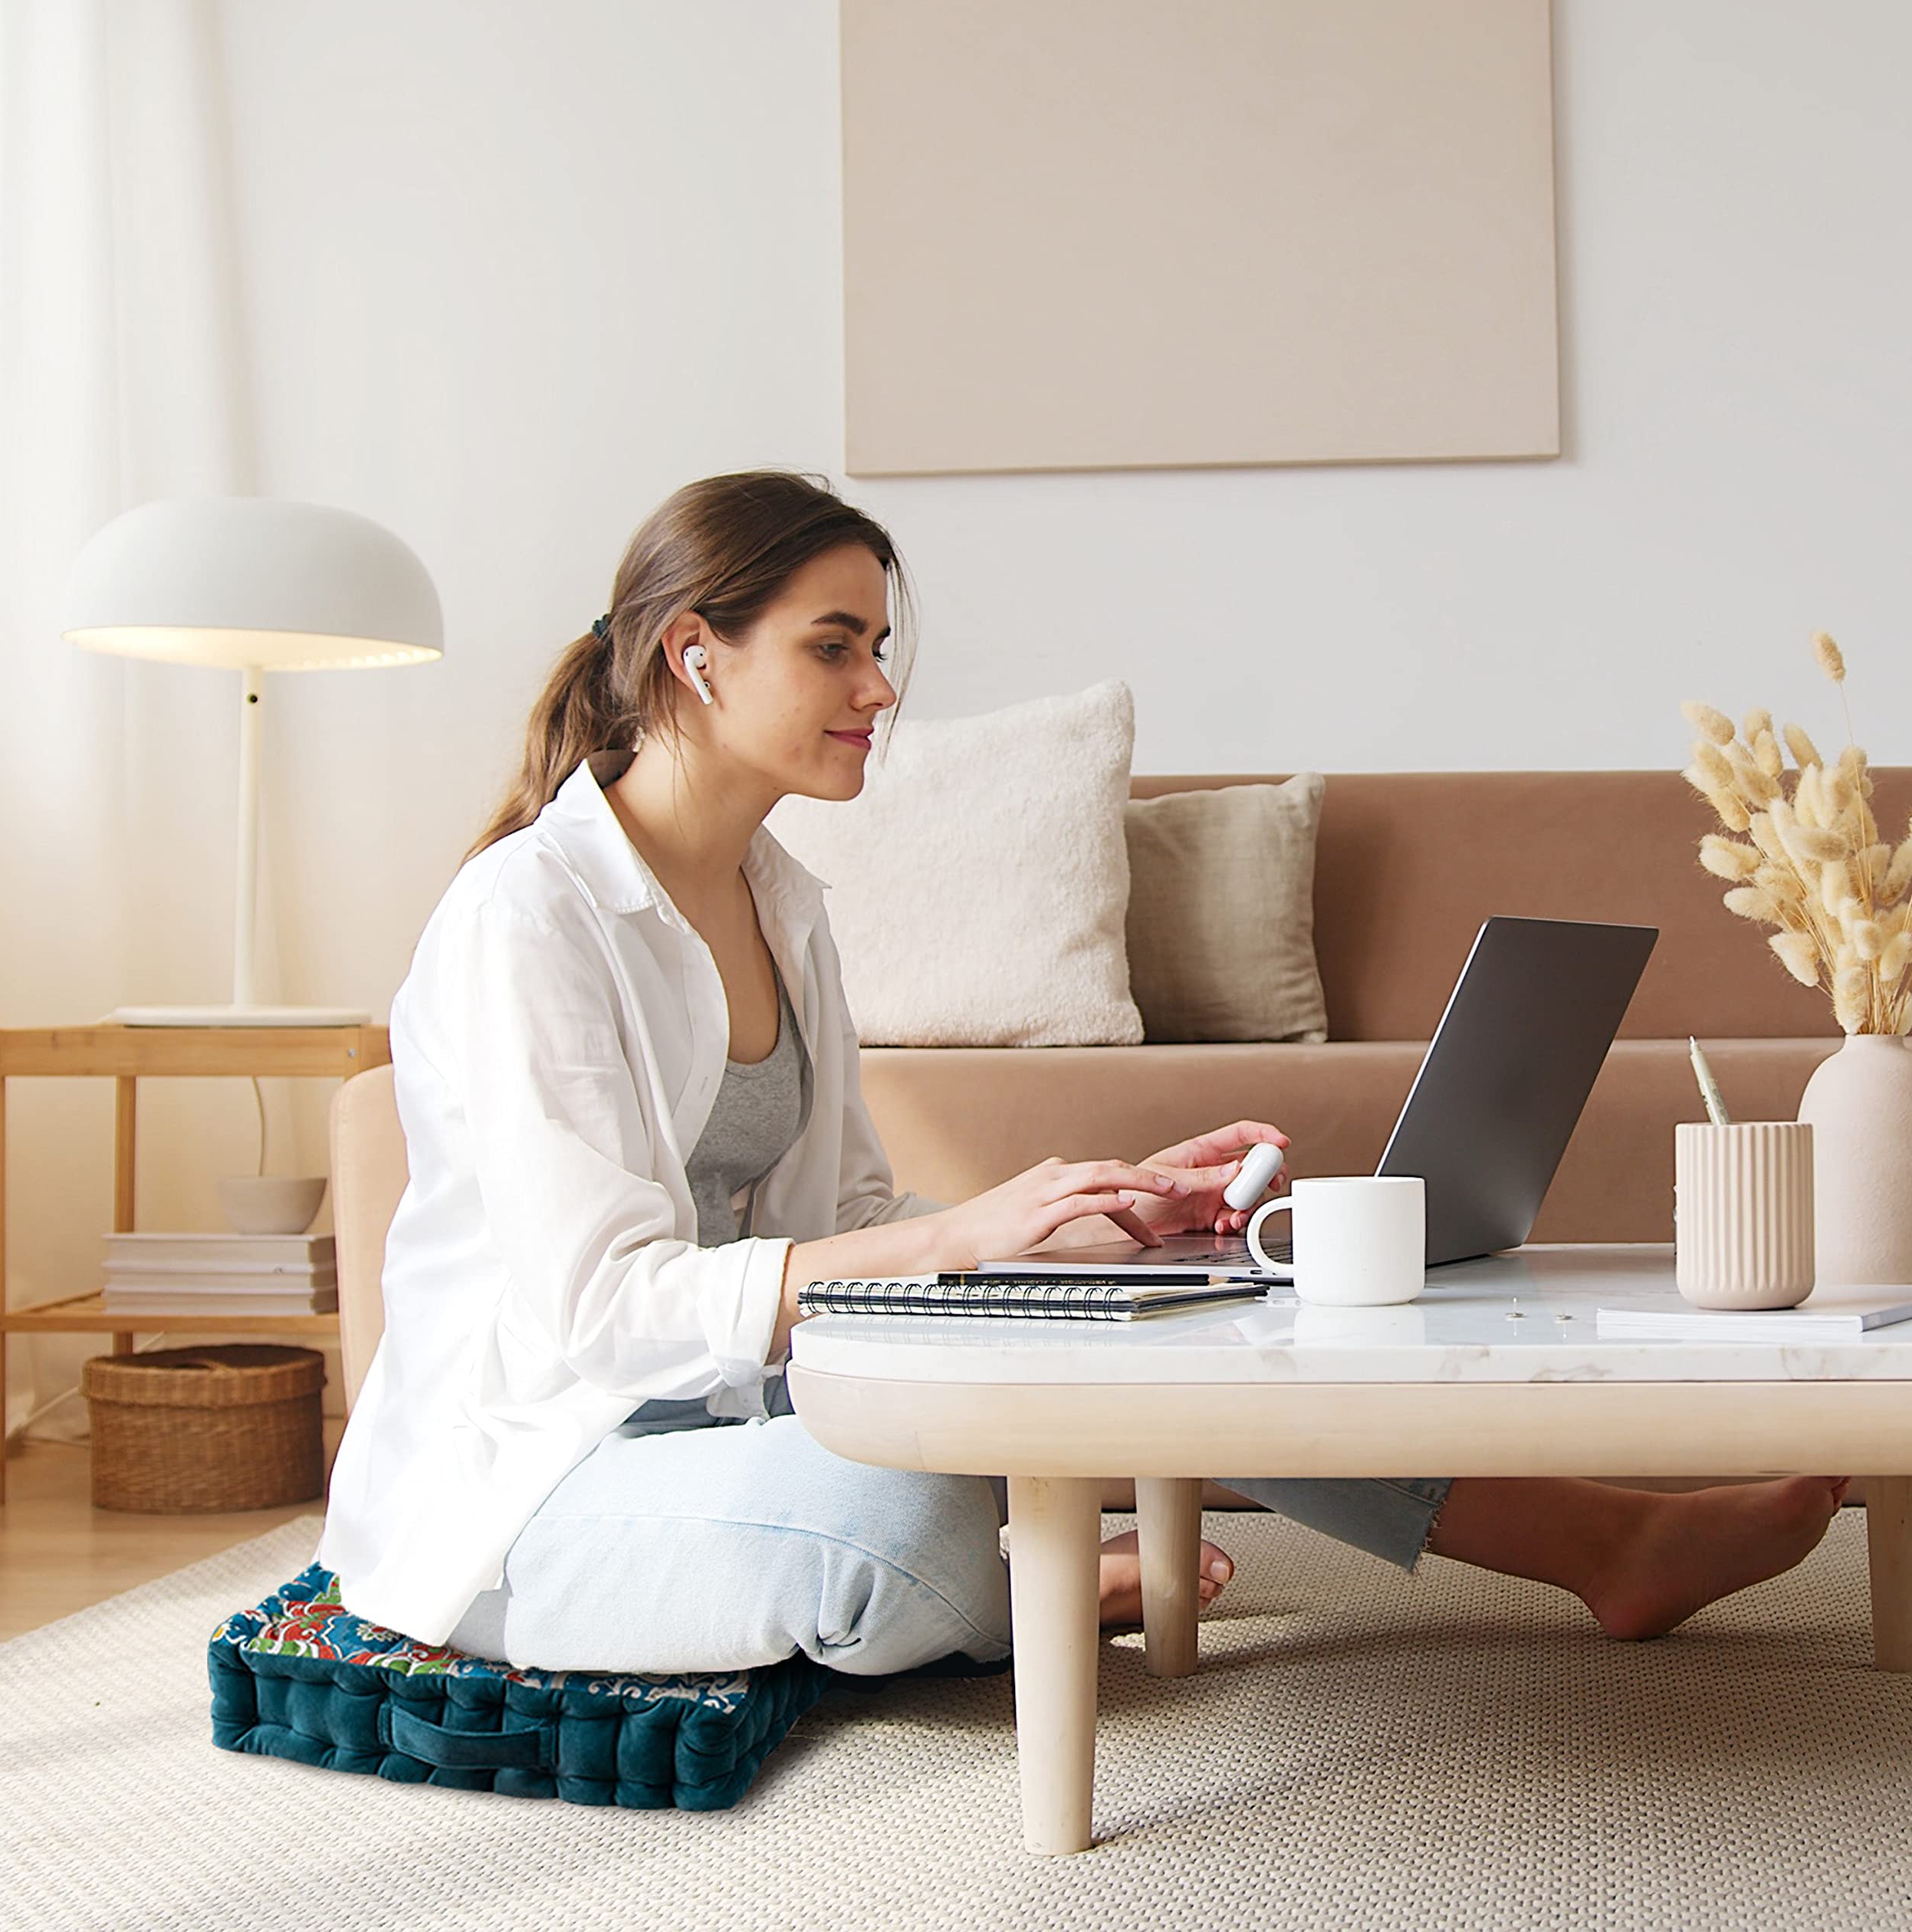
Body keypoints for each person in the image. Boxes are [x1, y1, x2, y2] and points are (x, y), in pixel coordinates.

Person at [317, 470, 1848, 1677]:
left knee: (1180, 1322)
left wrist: (1075, 1227)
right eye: (832, 643)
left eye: (879, 646)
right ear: (690, 653)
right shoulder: (532, 915)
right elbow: (601, 1310)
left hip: (737, 1407)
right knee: (897, 1506)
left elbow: (848, 1210)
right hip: (537, 1483)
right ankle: (1017, 1585)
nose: (878, 684)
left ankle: (1604, 1541)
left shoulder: (783, 899)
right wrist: (956, 1237)